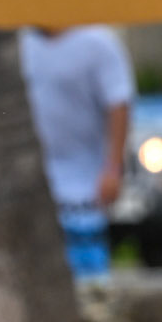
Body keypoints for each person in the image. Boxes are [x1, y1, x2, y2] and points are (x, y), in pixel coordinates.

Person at [19, 23, 135, 277]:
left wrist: (113, 168)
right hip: (36, 181)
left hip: (85, 186)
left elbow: (119, 104)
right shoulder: (22, 44)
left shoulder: (98, 43)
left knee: (87, 277)